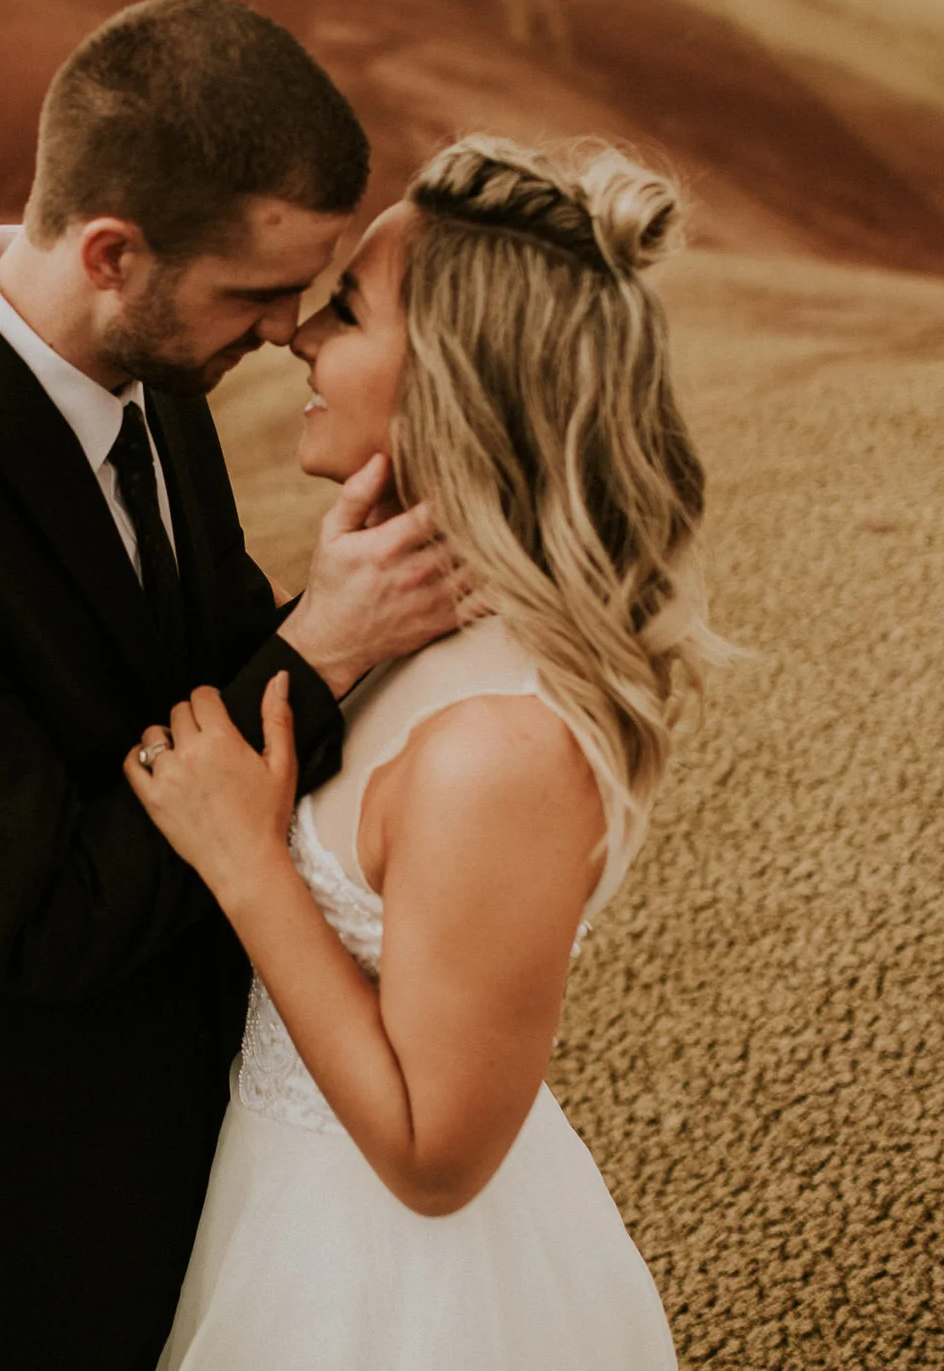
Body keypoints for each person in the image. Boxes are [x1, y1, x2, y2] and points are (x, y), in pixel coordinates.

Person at [0, 0, 462, 1369]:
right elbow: (48, 914)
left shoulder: (152, 399)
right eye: (255, 293)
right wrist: (321, 644)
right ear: (114, 252)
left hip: (183, 1144)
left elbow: (198, 700)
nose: (283, 331)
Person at [129, 136, 731, 1369]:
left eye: (345, 310)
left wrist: (245, 857)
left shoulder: (499, 748)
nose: (298, 336)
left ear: (451, 379)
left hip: (398, 1299)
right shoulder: (417, 631)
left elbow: (435, 1156)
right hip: (276, 1215)